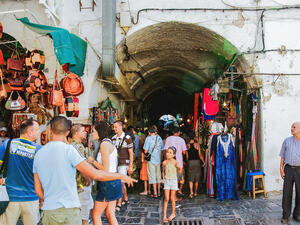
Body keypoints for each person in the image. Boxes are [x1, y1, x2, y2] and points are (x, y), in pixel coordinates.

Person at [33, 116, 136, 225]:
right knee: (104, 213)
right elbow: (95, 174)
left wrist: (49, 199)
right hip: (69, 211)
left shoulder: (39, 153)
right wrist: (120, 176)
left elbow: (38, 190)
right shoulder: (69, 150)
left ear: (49, 130)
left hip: (49, 211)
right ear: (68, 131)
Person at [0, 119, 41, 225]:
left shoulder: (7, 144)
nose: (39, 132)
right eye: (37, 129)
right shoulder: (39, 150)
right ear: (29, 132)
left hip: (9, 198)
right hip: (31, 198)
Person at [87, 121, 122, 225]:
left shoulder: (104, 144)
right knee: (110, 213)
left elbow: (105, 169)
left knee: (96, 215)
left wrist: (93, 161)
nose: (92, 134)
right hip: (113, 180)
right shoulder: (108, 142)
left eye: (94, 131)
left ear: (100, 132)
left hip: (108, 182)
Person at [70, 124, 93, 225]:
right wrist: (87, 179)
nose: (86, 132)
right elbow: (81, 166)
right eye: (83, 131)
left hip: (77, 183)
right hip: (81, 183)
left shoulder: (72, 145)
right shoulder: (78, 146)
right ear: (76, 133)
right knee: (84, 212)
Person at [279, 122, 300, 224]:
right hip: (288, 169)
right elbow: (282, 156)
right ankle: (285, 215)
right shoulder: (287, 141)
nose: (291, 128)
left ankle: (297, 214)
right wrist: (281, 169)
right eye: (291, 127)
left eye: (294, 127)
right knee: (287, 192)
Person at [112, 120, 134, 211]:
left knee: (121, 182)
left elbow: (131, 153)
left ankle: (119, 203)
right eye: (114, 127)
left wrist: (130, 166)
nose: (115, 129)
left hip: (124, 163)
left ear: (121, 127)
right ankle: (125, 198)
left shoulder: (127, 138)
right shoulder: (113, 138)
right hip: (116, 163)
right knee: (120, 182)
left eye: (116, 127)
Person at [164, 126, 187, 196]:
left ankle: (171, 194)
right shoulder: (182, 140)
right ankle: (176, 193)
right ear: (179, 132)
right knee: (179, 178)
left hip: (169, 162)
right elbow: (184, 152)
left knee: (170, 178)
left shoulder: (168, 139)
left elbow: (166, 150)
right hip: (179, 162)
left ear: (173, 132)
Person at [162, 146, 182, 223]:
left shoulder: (176, 162)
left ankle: (173, 213)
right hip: (167, 181)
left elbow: (179, 172)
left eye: (170, 153)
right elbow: (163, 171)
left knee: (172, 198)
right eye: (167, 152)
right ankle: (164, 215)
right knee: (166, 198)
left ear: (174, 155)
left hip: (173, 181)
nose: (168, 154)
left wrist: (179, 168)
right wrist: (163, 178)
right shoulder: (164, 162)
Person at [143, 126, 164, 198]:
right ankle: (158, 192)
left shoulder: (148, 139)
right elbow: (162, 149)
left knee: (152, 176)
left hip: (151, 160)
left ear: (149, 132)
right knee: (158, 175)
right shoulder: (159, 138)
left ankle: (155, 192)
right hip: (158, 159)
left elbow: (145, 150)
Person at [186, 134, 205, 199]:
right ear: (194, 138)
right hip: (197, 162)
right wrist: (203, 161)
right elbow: (200, 155)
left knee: (190, 178)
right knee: (197, 177)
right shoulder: (197, 145)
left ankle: (191, 192)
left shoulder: (187, 145)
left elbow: (187, 156)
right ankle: (195, 192)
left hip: (190, 162)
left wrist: (187, 162)